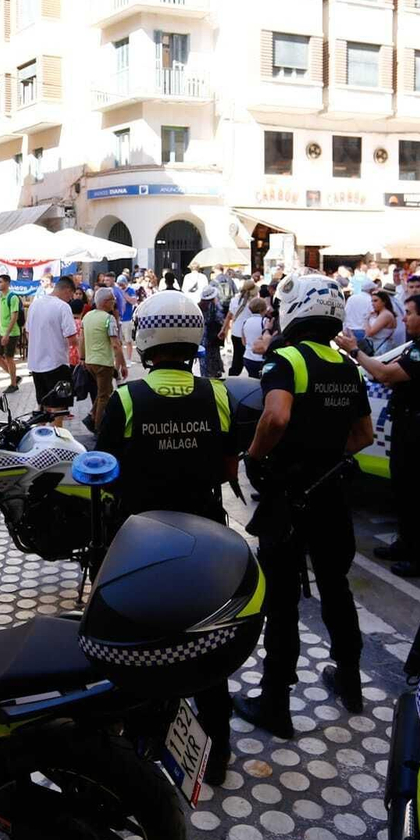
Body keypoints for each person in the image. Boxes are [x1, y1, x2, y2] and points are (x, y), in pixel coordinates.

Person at [95, 289, 236, 784]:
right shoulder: (218, 393)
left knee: (140, 639)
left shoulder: (127, 398)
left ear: (145, 338)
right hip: (206, 539)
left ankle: (139, 741)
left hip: (143, 542)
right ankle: (217, 754)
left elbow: (105, 469)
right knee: (210, 642)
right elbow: (226, 464)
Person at [235, 276, 374, 731]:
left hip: (289, 495)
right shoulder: (347, 364)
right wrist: (327, 455)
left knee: (282, 600)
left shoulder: (287, 358)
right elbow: (364, 435)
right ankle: (350, 683)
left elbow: (276, 415)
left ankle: (276, 702)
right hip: (332, 492)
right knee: (336, 587)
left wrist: (254, 457)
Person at [336, 292, 420, 577]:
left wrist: (355, 351)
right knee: (403, 489)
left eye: (409, 312)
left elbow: (385, 374)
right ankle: (406, 543)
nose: (404, 317)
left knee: (416, 494)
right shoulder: (419, 345)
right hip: (408, 426)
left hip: (418, 430)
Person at [25, 276, 78, 414]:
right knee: (58, 409)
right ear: (67, 290)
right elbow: (72, 339)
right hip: (57, 363)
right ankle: (57, 434)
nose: (71, 299)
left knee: (42, 407)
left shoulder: (34, 305)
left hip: (36, 364)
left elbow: (28, 333)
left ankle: (39, 434)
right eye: (71, 295)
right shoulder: (63, 307)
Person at [80, 285, 128, 433]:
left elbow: (82, 339)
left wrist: (82, 357)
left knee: (105, 390)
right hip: (103, 363)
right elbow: (116, 344)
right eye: (113, 300)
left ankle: (91, 416)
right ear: (106, 302)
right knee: (104, 396)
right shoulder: (109, 319)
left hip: (90, 361)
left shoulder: (87, 316)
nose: (114, 302)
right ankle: (98, 427)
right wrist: (123, 365)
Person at [0, 274, 24, 389]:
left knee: (9, 357)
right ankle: (14, 377)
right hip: (1, 332)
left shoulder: (12, 297)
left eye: (0, 282)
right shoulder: (1, 296)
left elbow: (14, 317)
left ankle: (13, 384)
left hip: (11, 333)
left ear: (7, 283)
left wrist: (6, 334)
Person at [198, 284, 225, 378]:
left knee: (203, 357)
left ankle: (205, 375)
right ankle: (214, 373)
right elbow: (220, 319)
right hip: (212, 334)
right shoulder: (214, 306)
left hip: (201, 334)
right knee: (213, 354)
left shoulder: (199, 306)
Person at [239, 296, 271, 373]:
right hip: (261, 359)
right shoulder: (265, 321)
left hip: (247, 357)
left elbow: (244, 342)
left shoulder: (245, 321)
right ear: (264, 309)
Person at [343, 282, 373, 346]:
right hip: (362, 330)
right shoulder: (370, 300)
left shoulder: (352, 298)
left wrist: (344, 328)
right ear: (371, 290)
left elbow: (345, 313)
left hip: (350, 329)